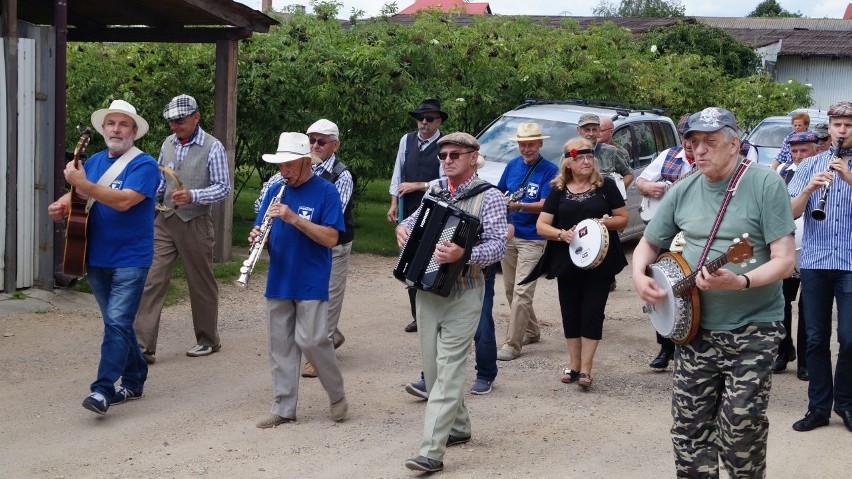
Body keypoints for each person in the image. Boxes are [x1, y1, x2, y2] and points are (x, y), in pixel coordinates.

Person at [632, 107, 796, 477]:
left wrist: (741, 281)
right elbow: (647, 244)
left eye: (710, 142)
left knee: (741, 429)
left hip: (753, 328)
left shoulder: (765, 184)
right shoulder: (684, 188)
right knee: (689, 430)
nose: (699, 151)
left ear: (735, 143)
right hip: (695, 330)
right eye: (693, 143)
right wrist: (638, 275)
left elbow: (785, 260)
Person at [397, 132, 507, 472]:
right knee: (433, 370)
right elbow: (413, 224)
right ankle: (458, 428)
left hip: (466, 293)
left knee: (446, 374)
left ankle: (431, 452)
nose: (446, 160)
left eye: (454, 154)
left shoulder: (490, 197)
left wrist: (465, 254)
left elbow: (499, 245)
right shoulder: (435, 190)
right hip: (428, 291)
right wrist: (402, 228)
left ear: (473, 157)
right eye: (443, 155)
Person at [48, 99, 159, 415]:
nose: (116, 129)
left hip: (131, 259)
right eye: (111, 123)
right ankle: (135, 378)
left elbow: (124, 201)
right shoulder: (94, 161)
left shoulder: (144, 165)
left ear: (134, 131)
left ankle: (102, 390)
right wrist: (61, 205)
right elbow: (77, 195)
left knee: (116, 321)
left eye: (123, 124)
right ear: (103, 129)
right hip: (94, 256)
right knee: (118, 324)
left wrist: (83, 184)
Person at [252, 132, 348, 428]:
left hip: (311, 277)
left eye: (289, 165)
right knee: (280, 344)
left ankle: (336, 395)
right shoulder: (276, 189)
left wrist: (294, 218)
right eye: (281, 166)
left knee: (313, 339)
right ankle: (283, 407)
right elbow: (261, 228)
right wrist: (257, 236)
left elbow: (331, 238)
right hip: (280, 277)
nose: (284, 172)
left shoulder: (326, 192)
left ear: (306, 162)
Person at [134, 94, 231, 363]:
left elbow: (224, 189)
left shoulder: (213, 147)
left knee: (200, 283)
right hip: (164, 222)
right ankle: (143, 346)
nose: (174, 126)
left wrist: (193, 196)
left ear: (196, 117)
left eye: (179, 120)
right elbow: (162, 180)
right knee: (152, 279)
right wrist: (152, 198)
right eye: (170, 122)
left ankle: (208, 340)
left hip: (196, 222)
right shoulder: (167, 143)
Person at [528, 137, 628, 389]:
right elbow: (542, 225)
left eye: (589, 157)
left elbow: (623, 219)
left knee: (592, 313)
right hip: (567, 259)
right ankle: (573, 364)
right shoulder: (558, 190)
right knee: (570, 313)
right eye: (580, 157)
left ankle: (586, 368)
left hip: (601, 261)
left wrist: (601, 223)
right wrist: (561, 234)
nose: (586, 161)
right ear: (568, 163)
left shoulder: (606, 186)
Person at [788, 100, 852, 433]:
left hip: (851, 263)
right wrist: (811, 188)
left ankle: (846, 403)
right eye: (837, 124)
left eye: (849, 125)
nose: (842, 130)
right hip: (815, 261)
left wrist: (849, 178)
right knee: (814, 339)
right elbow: (791, 212)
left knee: (850, 338)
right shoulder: (809, 165)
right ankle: (818, 407)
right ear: (829, 127)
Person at [494, 122, 559, 362]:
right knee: (511, 290)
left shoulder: (550, 170)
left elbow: (546, 204)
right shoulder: (512, 166)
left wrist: (520, 205)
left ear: (540, 143)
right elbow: (500, 192)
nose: (526, 149)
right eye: (522, 144)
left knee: (522, 291)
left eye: (531, 144)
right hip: (511, 234)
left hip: (534, 238)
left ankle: (512, 344)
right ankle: (531, 330)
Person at [635, 114, 693, 370]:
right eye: (685, 137)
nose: (689, 143)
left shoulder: (709, 164)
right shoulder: (669, 155)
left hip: (692, 232)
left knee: (689, 287)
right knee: (660, 284)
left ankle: (686, 347)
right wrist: (651, 188)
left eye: (693, 137)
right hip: (665, 229)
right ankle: (665, 347)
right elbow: (641, 181)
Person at [387, 99, 447, 333]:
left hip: (435, 209)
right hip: (408, 209)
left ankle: (437, 315)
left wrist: (418, 185)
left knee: (432, 260)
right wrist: (393, 203)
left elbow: (445, 181)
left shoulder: (445, 145)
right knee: (408, 261)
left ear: (438, 121)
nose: (424, 122)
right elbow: (397, 174)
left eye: (429, 118)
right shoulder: (407, 140)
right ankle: (418, 316)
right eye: (421, 118)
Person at [773, 132, 818, 379]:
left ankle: (805, 361)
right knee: (781, 304)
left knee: (807, 308)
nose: (799, 156)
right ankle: (783, 350)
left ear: (815, 151)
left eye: (804, 151)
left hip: (812, 253)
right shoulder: (783, 174)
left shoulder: (823, 173)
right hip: (787, 250)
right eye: (795, 152)